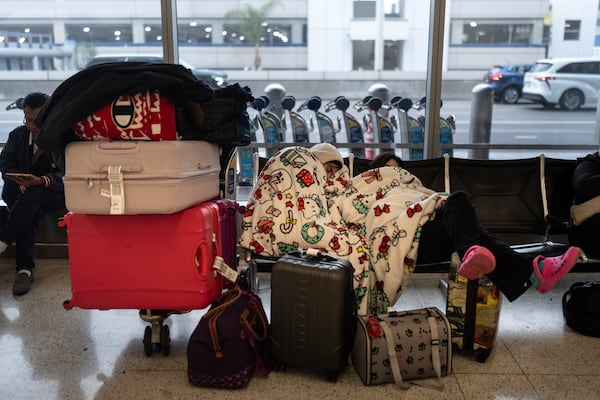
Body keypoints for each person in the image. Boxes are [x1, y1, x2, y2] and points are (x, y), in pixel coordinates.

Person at [310, 143, 582, 303]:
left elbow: (428, 200)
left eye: (399, 170)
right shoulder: (351, 190)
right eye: (387, 170)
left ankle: (474, 253)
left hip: (429, 231)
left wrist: (420, 202)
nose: (395, 174)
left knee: (457, 201)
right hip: (399, 241)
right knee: (472, 236)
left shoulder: (413, 188)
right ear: (374, 173)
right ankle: (533, 270)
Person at [0, 92, 66, 295]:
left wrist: (41, 181)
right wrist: (20, 180)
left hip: (51, 192)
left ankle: (5, 241)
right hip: (21, 192)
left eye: (36, 120)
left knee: (33, 194)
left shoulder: (60, 139)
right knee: (30, 206)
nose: (31, 124)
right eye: (27, 119)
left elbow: (67, 174)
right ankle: (24, 270)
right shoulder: (17, 136)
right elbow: (5, 164)